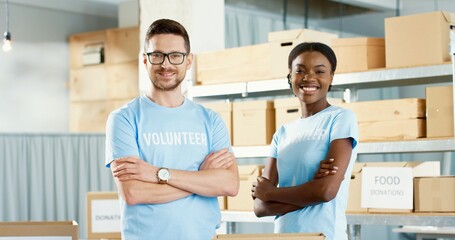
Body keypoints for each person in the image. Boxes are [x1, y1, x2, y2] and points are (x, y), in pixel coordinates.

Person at [105, 19, 239, 240]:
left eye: (175, 56)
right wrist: (202, 180)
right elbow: (134, 193)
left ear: (188, 61)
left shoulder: (211, 120)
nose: (166, 64)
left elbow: (230, 184)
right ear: (145, 61)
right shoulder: (123, 119)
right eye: (157, 55)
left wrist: (159, 174)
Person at [251, 42, 358, 240]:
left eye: (319, 71)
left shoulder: (340, 118)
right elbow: (259, 207)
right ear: (290, 76)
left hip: (324, 235)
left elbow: (326, 191)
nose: (309, 78)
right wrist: (311, 192)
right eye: (300, 71)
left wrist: (270, 192)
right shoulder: (282, 133)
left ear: (331, 77)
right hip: (283, 237)